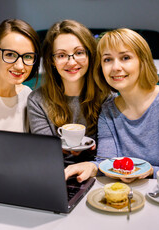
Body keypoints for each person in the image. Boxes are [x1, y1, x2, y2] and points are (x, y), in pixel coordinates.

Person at [94, 28, 159, 182]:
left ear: (143, 62)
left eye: (125, 57)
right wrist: (89, 167)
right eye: (107, 60)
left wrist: (150, 172)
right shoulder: (108, 109)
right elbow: (106, 164)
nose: (115, 67)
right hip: (124, 196)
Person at [27, 20, 105, 182]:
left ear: (90, 54)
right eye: (61, 55)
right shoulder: (37, 100)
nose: (71, 62)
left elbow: (107, 155)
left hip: (98, 176)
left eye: (79, 52)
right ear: (52, 61)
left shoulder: (107, 97)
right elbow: (45, 153)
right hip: (55, 177)